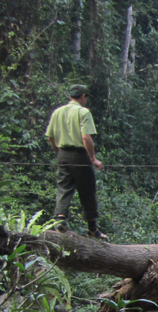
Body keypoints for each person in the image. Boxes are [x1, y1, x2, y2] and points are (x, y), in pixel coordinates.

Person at [45, 84, 108, 240]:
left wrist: (58, 152)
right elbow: (86, 137)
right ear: (83, 96)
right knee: (87, 188)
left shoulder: (57, 112)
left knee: (64, 186)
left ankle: (60, 219)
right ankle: (92, 228)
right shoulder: (83, 112)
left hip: (63, 154)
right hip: (80, 154)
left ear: (70, 96)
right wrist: (93, 159)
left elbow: (50, 137)